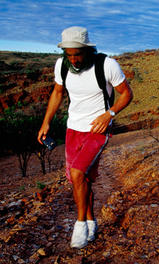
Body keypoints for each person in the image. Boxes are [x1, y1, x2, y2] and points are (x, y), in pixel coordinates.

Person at [37, 26, 133, 249]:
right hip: (73, 129)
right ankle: (90, 221)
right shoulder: (62, 65)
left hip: (97, 130)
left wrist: (109, 114)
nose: (74, 59)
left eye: (77, 54)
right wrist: (46, 122)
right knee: (80, 180)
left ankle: (79, 225)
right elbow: (58, 93)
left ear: (87, 50)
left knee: (78, 173)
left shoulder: (106, 65)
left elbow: (127, 94)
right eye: (69, 55)